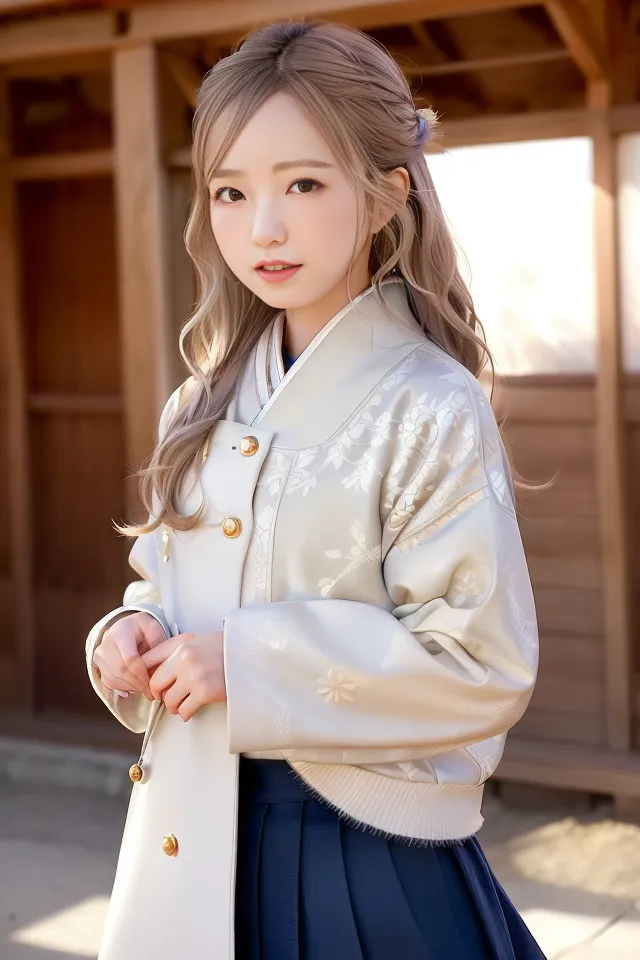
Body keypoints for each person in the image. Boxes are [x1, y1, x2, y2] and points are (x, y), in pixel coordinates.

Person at [86, 17, 545, 960]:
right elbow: (164, 585)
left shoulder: (429, 402)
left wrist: (245, 665)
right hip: (188, 832)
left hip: (361, 860)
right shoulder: (203, 395)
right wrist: (133, 634)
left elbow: (480, 663)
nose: (264, 228)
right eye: (230, 191)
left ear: (385, 195)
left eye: (303, 183)